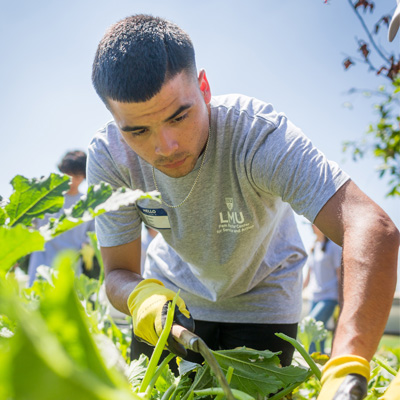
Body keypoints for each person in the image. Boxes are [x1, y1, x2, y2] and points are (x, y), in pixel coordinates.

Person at [87, 15, 399, 399]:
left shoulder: (256, 136)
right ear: (116, 123)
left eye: (179, 116)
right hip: (171, 304)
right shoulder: (109, 157)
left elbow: (371, 227)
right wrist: (139, 297)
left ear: (204, 88)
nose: (165, 147)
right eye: (138, 131)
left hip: (263, 303)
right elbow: (118, 272)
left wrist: (346, 367)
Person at [28, 150, 95, 286]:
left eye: (77, 175)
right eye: (68, 174)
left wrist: (87, 245)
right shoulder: (46, 197)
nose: (72, 180)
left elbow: (93, 235)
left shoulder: (87, 203)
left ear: (84, 176)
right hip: (41, 263)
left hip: (70, 265)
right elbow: (30, 226)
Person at [303, 224, 342, 354]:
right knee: (321, 330)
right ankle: (321, 359)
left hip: (330, 296)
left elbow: (339, 274)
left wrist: (343, 297)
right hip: (314, 296)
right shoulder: (314, 247)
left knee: (311, 325)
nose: (314, 226)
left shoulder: (334, 247)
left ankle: (312, 358)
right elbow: (308, 277)